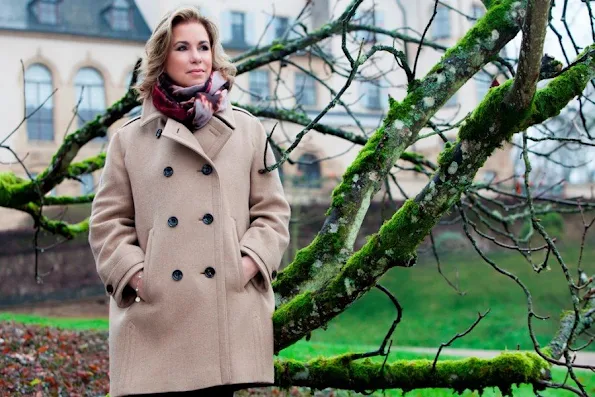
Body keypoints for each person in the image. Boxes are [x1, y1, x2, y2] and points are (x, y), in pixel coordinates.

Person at [88, 6, 291, 396]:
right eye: (183, 47)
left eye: (203, 46)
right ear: (162, 56)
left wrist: (244, 265)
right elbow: (107, 223)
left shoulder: (247, 129)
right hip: (157, 313)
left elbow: (272, 212)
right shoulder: (129, 140)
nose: (196, 56)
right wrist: (138, 277)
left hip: (222, 311)